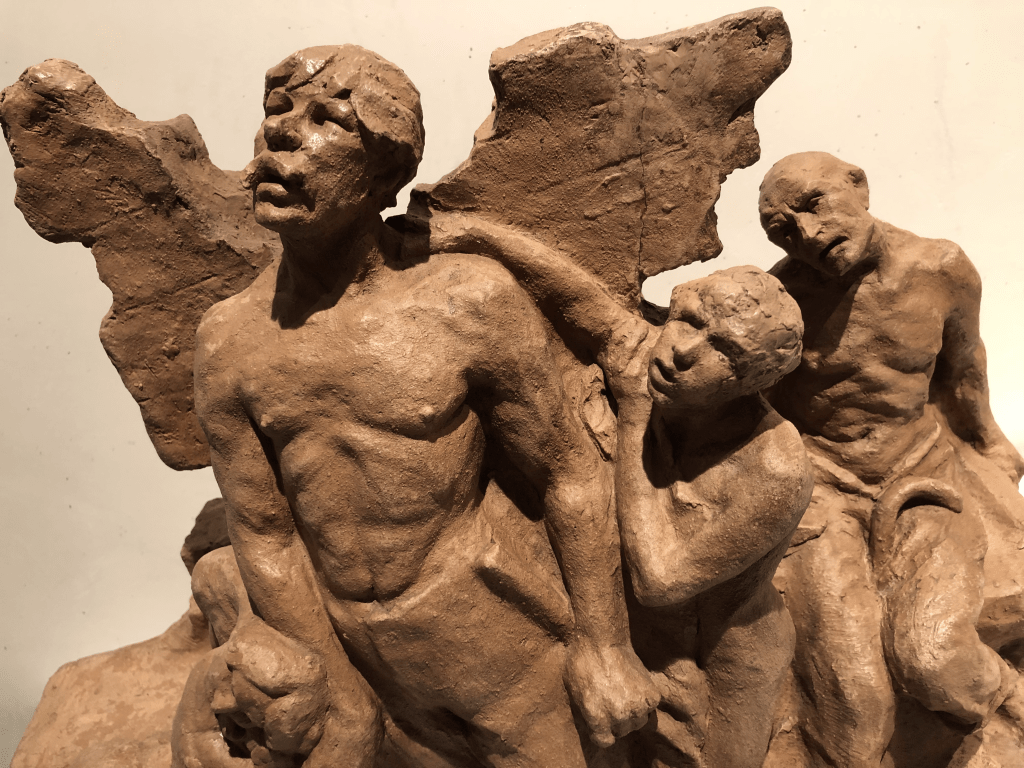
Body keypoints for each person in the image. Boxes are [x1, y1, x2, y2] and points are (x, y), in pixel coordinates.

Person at [171, 45, 657, 768]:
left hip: (490, 634)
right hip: (349, 645)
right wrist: (334, 686)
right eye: (276, 112)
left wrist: (605, 645)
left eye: (328, 120)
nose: (280, 133)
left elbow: (568, 474)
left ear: (385, 175)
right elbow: (265, 534)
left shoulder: (467, 302)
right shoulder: (227, 340)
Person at [429, 216, 814, 768]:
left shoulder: (775, 467)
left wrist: (634, 415)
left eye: (723, 351)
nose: (682, 351)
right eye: (687, 320)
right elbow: (574, 293)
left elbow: (660, 579)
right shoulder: (657, 356)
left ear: (755, 380)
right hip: (635, 630)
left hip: (724, 653)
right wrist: (471, 234)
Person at [758, 151, 1024, 767]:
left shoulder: (941, 267)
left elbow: (964, 365)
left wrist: (988, 439)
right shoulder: (781, 299)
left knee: (933, 660)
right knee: (851, 693)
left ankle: (1004, 699)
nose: (808, 235)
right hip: (823, 490)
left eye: (815, 204)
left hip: (921, 474)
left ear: (859, 185)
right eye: (783, 231)